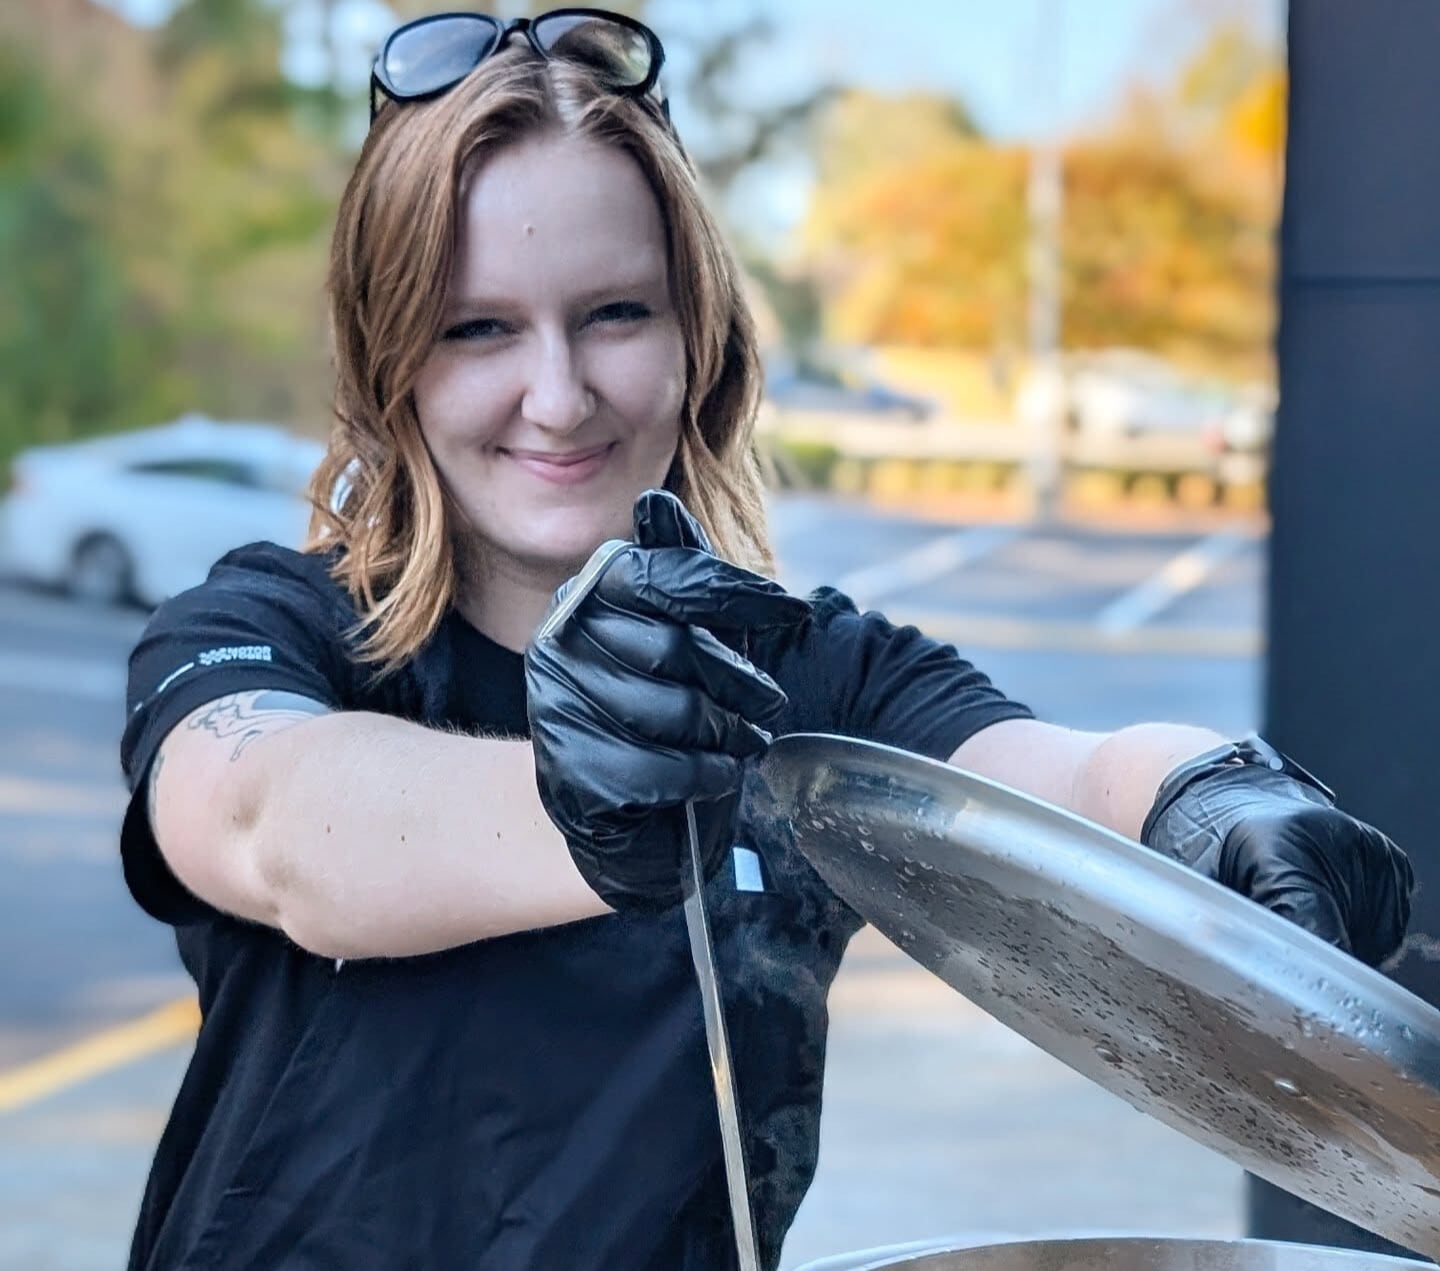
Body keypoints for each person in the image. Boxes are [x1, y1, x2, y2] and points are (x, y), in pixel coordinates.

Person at [117, 9, 1414, 1270]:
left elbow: (1063, 783)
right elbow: (267, 823)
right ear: (390, 358)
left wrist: (1209, 802)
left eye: (617, 312)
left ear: (701, 339)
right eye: (479, 328)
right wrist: (576, 806)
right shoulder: (271, 626)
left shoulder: (802, 675)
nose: (559, 395)